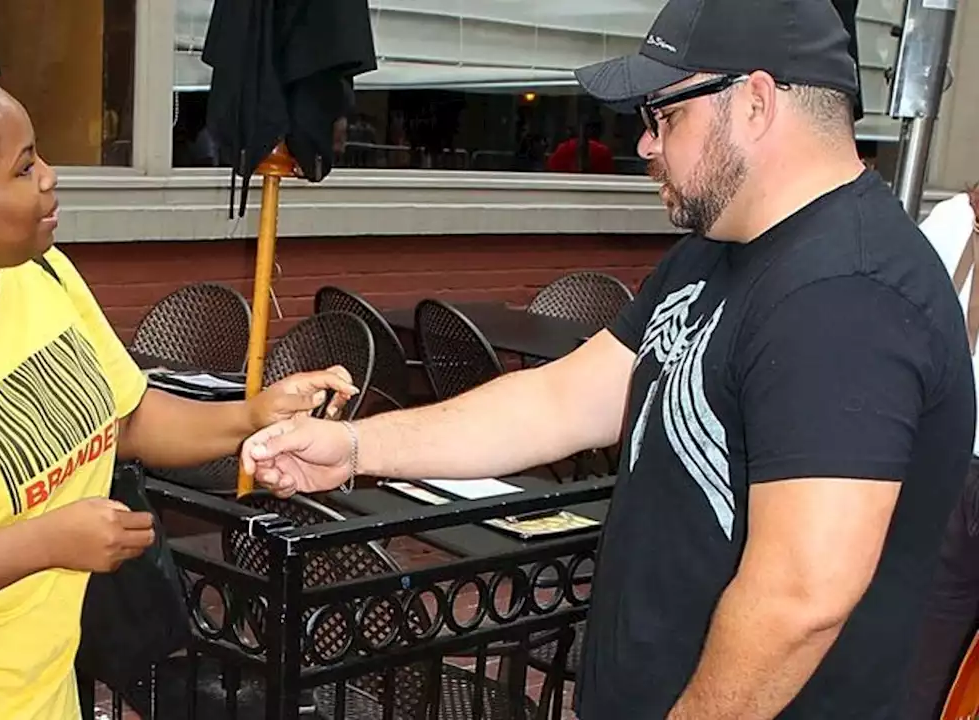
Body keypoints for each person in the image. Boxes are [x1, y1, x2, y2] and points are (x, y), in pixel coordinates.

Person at [238, 0, 975, 717]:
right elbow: (562, 400)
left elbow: (801, 596)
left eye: (665, 115)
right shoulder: (715, 254)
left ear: (754, 102)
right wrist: (357, 444)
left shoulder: (848, 295)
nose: (646, 144)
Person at [0, 43, 357, 720]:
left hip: (30, 691)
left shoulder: (40, 277)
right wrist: (47, 541)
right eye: (23, 168)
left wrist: (251, 415)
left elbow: (127, 421)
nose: (50, 178)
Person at [904, 187, 979, 718]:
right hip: (954, 468)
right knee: (929, 661)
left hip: (949, 461)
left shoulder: (955, 218)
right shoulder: (954, 220)